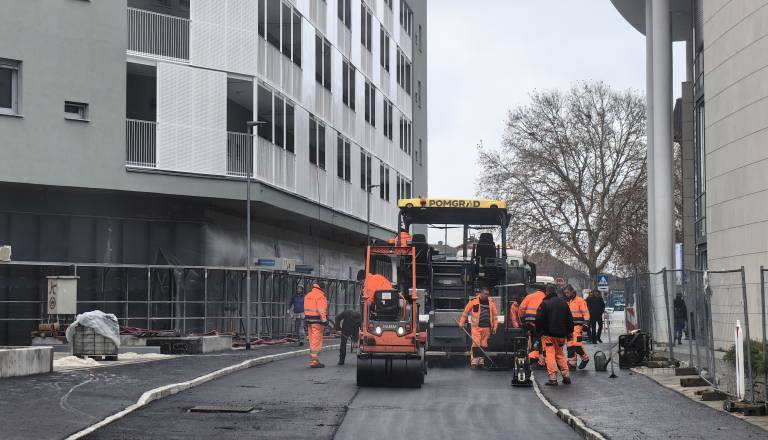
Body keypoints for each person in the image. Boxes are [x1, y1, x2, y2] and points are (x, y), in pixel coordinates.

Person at [536, 285, 574, 386]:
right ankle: (566, 376)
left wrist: (538, 331)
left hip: (548, 334)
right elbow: (570, 320)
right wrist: (569, 332)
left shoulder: (544, 304)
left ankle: (553, 378)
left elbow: (539, 319)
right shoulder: (564, 303)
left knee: (550, 354)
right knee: (560, 354)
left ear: (547, 292)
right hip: (561, 335)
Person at [458, 286, 498, 368]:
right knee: (476, 343)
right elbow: (465, 312)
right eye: (485, 294)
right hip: (476, 327)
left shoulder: (491, 303)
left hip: (487, 328)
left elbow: (495, 316)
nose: (486, 295)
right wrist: (461, 322)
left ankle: (481, 362)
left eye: (487, 294)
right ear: (481, 293)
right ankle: (474, 362)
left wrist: (495, 327)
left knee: (484, 345)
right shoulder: (473, 301)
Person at [518, 285, 547, 367]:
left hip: (529, 322)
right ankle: (539, 359)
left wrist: (522, 320)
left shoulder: (529, 296)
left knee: (531, 339)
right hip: (541, 323)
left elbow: (521, 309)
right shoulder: (546, 298)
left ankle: (531, 357)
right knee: (540, 340)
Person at [564, 285, 590, 370]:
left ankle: (585, 358)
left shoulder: (580, 301)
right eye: (565, 293)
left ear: (572, 291)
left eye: (567, 292)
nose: (566, 294)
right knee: (570, 345)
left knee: (576, 345)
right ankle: (572, 363)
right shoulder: (568, 301)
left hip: (578, 326)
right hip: (569, 327)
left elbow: (586, 313)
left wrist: (586, 323)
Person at [304, 282, 328, 368]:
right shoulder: (320, 296)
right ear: (322, 288)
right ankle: (314, 361)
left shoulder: (308, 295)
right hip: (317, 321)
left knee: (312, 340)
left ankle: (314, 360)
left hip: (309, 321)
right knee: (316, 341)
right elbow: (321, 309)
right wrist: (325, 320)